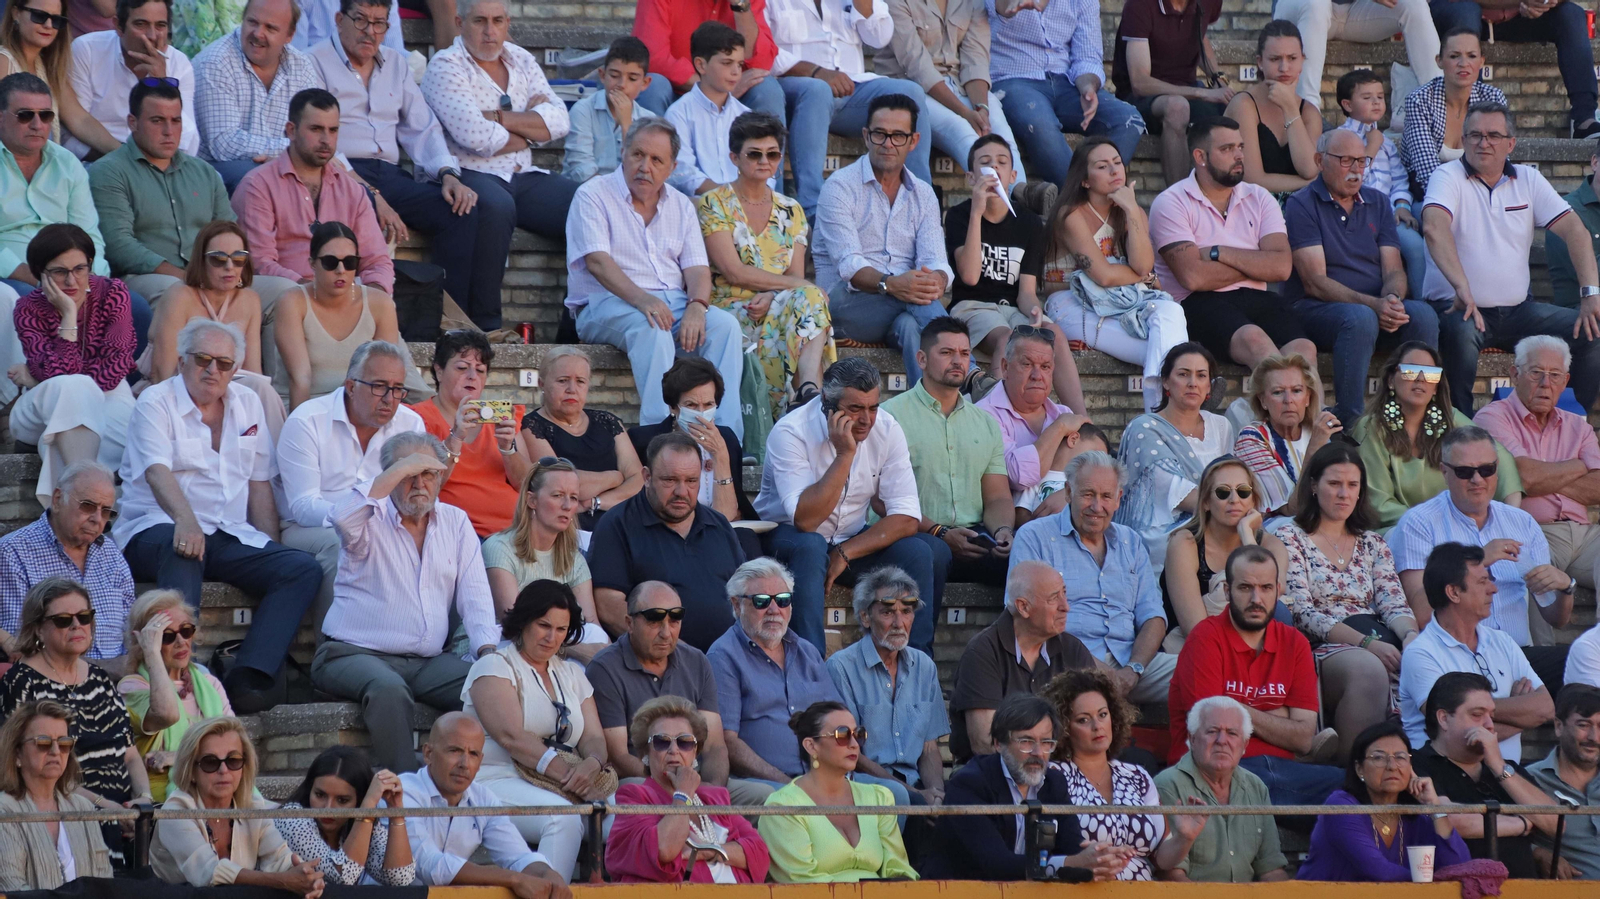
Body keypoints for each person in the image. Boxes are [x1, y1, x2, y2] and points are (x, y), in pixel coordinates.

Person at [114, 319, 323, 712]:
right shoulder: (156, 402)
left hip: (225, 531)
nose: (213, 370)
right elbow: (157, 472)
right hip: (153, 526)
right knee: (184, 548)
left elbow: (260, 484)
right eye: (203, 359)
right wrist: (185, 520)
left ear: (234, 369)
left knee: (301, 569)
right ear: (181, 361)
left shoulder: (247, 403)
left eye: (224, 363)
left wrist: (268, 553)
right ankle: (178, 677)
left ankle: (249, 677)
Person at [308, 0, 503, 328]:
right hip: (339, 173)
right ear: (340, 19)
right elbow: (320, 142)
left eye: (379, 23)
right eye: (361, 21)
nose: (370, 32)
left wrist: (448, 175)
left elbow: (423, 128)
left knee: (459, 208)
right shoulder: (314, 62)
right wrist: (370, 193)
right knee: (362, 203)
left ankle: (449, 320)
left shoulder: (396, 65)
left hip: (389, 173)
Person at [312, 431, 498, 774]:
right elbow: (340, 517)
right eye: (407, 473)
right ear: (389, 477)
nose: (419, 483)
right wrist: (400, 469)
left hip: (427, 663)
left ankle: (491, 778)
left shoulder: (456, 522)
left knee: (489, 685)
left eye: (428, 473)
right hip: (352, 653)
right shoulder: (367, 519)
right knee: (389, 690)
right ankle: (406, 793)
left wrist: (488, 654)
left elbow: (476, 598)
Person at [754, 357, 947, 653]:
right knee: (811, 546)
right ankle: (811, 666)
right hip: (787, 538)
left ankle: (917, 664)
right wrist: (845, 455)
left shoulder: (886, 428)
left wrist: (847, 552)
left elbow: (907, 516)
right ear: (826, 404)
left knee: (921, 551)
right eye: (855, 409)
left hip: (849, 540)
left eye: (873, 407)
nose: (867, 420)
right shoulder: (791, 431)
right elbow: (806, 521)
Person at [564, 119, 744, 436]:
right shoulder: (592, 195)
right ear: (623, 152)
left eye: (656, 160)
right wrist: (644, 299)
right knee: (654, 327)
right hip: (605, 303)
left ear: (671, 167)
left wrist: (697, 306)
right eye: (637, 155)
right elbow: (598, 262)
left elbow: (698, 270)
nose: (644, 167)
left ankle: (724, 436)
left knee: (725, 326)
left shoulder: (681, 206)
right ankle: (659, 436)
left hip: (672, 303)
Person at [1421, 101, 1600, 418]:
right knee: (1460, 340)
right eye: (1474, 135)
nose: (1483, 142)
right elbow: (1434, 227)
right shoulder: (1446, 176)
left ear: (1511, 143)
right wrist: (1462, 287)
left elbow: (1576, 232)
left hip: (1518, 312)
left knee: (1592, 330)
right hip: (1459, 307)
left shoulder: (1528, 181)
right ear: (1463, 140)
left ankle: (1569, 422)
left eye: (1493, 135)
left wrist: (1590, 294)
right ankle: (1457, 429)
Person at [419, 0, 579, 330]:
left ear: (508, 23)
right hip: (470, 172)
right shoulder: (445, 66)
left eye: (497, 21)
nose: (490, 31)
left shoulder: (521, 58)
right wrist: (531, 129)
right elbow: (474, 135)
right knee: (496, 206)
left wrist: (498, 117)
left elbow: (560, 120)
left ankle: (577, 322)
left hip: (524, 174)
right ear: (460, 22)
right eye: (480, 21)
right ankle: (484, 326)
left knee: (587, 204)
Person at [1390, 428, 1571, 688]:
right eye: (1465, 472)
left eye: (1486, 469)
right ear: (1444, 471)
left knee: (1587, 665)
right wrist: (1478, 561)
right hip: (1456, 658)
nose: (1477, 479)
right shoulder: (1419, 523)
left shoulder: (1522, 523)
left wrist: (1566, 587)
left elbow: (1556, 618)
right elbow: (1422, 612)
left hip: (1518, 656)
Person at [1286, 129, 1440, 429]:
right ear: (1320, 160)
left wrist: (1392, 300)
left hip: (1371, 309)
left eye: (1361, 160)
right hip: (1317, 308)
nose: (1356, 169)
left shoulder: (1378, 202)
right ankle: (1350, 417)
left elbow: (1393, 269)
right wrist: (1374, 305)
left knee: (1423, 314)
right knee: (1359, 318)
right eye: (1346, 160)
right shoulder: (1302, 204)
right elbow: (1314, 280)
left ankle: (1415, 414)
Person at [1169, 544, 1345, 805]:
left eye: (1265, 588)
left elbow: (1304, 738)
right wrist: (1281, 717)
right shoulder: (1205, 639)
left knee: (1354, 788)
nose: (1256, 599)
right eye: (1245, 588)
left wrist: (1237, 708)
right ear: (1228, 591)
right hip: (1215, 770)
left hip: (1283, 771)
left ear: (1278, 590)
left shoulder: (1295, 643)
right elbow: (1213, 731)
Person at [88, 83, 289, 311]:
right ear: (133, 123)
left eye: (176, 120)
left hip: (213, 274)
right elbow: (119, 245)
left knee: (282, 292)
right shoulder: (109, 171)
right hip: (145, 277)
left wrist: (225, 272)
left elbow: (229, 232)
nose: (169, 131)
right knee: (175, 291)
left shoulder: (203, 172)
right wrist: (186, 277)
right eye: (157, 121)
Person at [1278, 442, 1420, 758]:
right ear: (1313, 486)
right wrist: (1366, 644)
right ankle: (1350, 777)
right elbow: (1301, 612)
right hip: (1322, 644)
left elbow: (1393, 602)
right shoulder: (1291, 537)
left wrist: (1411, 636)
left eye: (1352, 485)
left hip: (1379, 638)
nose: (1344, 493)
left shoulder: (1373, 543)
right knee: (1367, 668)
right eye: (1334, 484)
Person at [461, 580, 608, 882]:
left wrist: (592, 765)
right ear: (525, 620)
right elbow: (511, 737)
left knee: (624, 817)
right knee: (563, 819)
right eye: (544, 625)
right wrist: (571, 779)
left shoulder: (570, 672)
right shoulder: (493, 665)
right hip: (498, 779)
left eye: (561, 629)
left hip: (564, 781)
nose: (552, 637)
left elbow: (594, 737)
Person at [275, 340, 423, 632]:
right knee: (339, 544)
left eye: (397, 389)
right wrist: (358, 517)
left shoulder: (411, 424)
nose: (390, 399)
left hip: (382, 525)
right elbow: (303, 507)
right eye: (379, 386)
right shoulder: (307, 421)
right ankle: (331, 652)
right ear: (351, 386)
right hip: (308, 530)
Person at [1149, 117, 1312, 372]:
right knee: (1255, 341)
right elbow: (1193, 277)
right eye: (1227, 149)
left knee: (1304, 351)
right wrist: (1256, 263)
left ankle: (1317, 413)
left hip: (1258, 298)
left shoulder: (1259, 197)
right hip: (1198, 302)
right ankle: (1280, 408)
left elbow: (1281, 268)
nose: (1238, 156)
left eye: (1240, 147)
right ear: (1200, 156)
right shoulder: (1172, 202)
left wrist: (1218, 253)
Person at [698, 111, 834, 413]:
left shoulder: (792, 210)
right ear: (734, 157)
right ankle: (804, 400)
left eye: (772, 154)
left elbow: (795, 276)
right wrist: (795, 286)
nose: (764, 161)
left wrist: (775, 293)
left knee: (809, 298)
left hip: (776, 303)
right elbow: (734, 271)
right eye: (754, 154)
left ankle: (808, 390)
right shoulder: (713, 202)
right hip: (730, 309)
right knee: (808, 295)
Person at [812, 94, 951, 386]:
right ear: (866, 136)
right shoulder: (839, 187)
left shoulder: (923, 194)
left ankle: (926, 409)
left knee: (912, 327)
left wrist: (936, 279)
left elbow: (936, 259)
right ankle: (971, 373)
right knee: (916, 303)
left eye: (898, 136)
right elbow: (849, 265)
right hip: (846, 305)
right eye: (880, 134)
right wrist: (893, 285)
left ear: (913, 141)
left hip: (905, 306)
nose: (888, 143)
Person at [1013, 451, 1176, 700]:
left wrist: (1133, 670)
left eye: (1106, 496)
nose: (1097, 506)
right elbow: (1031, 620)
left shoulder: (1131, 542)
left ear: (1118, 499)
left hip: (1131, 665)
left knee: (1202, 674)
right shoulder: (1035, 537)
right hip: (1065, 665)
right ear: (1068, 492)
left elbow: (1153, 616)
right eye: (1088, 494)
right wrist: (1105, 675)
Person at [1042, 137, 1187, 413]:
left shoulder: (1133, 213)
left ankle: (1157, 413)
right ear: (1084, 180)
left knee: (1171, 314)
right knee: (1172, 356)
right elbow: (1104, 277)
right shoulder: (1071, 215)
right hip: (1073, 305)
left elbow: (1143, 267)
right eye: (1102, 166)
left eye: (1118, 163)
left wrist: (1132, 209)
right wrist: (1141, 276)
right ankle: (1168, 407)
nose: (1114, 171)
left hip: (1122, 302)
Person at [944, 136, 1084, 407]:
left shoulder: (1029, 223)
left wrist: (1034, 310)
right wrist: (976, 212)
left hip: (1012, 309)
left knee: (1054, 333)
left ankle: (1081, 419)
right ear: (971, 177)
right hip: (972, 306)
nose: (994, 169)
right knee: (1008, 339)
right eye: (985, 163)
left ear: (1012, 175)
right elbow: (970, 276)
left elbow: (1027, 292)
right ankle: (995, 418)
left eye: (1001, 163)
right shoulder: (960, 216)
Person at [762, 0, 934, 222]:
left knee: (910, 93)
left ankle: (920, 204)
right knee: (818, 90)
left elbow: (879, 38)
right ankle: (811, 208)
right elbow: (764, 49)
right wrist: (816, 72)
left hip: (852, 89)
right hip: (796, 88)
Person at [233, 89, 395, 321]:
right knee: (286, 298)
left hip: (343, 298)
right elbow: (260, 263)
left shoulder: (352, 191)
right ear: (291, 130)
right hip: (285, 299)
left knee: (385, 314)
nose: (326, 140)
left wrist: (374, 296)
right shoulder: (258, 185)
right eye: (316, 129)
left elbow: (376, 260)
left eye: (333, 130)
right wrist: (315, 291)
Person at [0, 579, 147, 831]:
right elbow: (34, 767)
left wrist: (143, 800)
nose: (77, 625)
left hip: (124, 813)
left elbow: (130, 753)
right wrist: (103, 806)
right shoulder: (22, 682)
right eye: (63, 620)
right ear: (38, 629)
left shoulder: (99, 678)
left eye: (84, 617)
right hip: (69, 817)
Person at [587, 581, 755, 800]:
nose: (666, 632)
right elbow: (618, 755)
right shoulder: (605, 668)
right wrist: (677, 788)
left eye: (674, 619)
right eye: (654, 619)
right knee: (637, 792)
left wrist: (711, 792)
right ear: (629, 623)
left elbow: (715, 746)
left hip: (695, 779)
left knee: (764, 797)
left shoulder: (697, 661)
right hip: (642, 780)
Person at [7, 224, 136, 508]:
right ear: (40, 272)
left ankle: (72, 508)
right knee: (71, 386)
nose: (72, 281)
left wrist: (38, 376)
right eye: (59, 271)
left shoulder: (113, 293)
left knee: (115, 428)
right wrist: (68, 316)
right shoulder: (28, 307)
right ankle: (91, 491)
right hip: (38, 411)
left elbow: (115, 370)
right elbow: (59, 376)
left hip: (107, 396)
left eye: (80, 269)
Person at [881, 318, 1012, 586]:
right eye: (946, 352)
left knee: (1024, 558)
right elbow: (881, 499)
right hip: (913, 534)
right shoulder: (890, 417)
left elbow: (997, 496)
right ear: (921, 359)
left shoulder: (985, 422)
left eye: (964, 353)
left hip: (973, 536)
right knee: (934, 554)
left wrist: (1003, 532)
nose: (957, 361)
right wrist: (939, 532)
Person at [1397, 543, 1556, 763]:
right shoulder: (1421, 653)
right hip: (1446, 780)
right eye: (1482, 581)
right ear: (1453, 592)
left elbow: (1545, 709)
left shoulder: (1502, 641)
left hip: (1506, 778)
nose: (1494, 589)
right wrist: (1521, 716)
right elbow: (1453, 733)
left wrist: (1470, 712)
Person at [588, 432, 747, 648]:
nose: (682, 491)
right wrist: (678, 654)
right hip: (656, 664)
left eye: (691, 481)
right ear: (646, 477)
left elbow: (745, 594)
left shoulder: (719, 525)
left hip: (727, 660)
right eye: (670, 480)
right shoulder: (617, 525)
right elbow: (609, 608)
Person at [1475, 336, 1600, 607]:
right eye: (1536, 373)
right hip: (1532, 531)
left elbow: (1598, 488)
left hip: (1586, 534)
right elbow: (1524, 476)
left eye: (1555, 375)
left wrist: (1539, 476)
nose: (1546, 384)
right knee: (1531, 581)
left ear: (1565, 381)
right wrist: (1581, 465)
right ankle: (1538, 650)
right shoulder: (1492, 417)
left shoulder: (1579, 426)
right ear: (1514, 374)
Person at [932, 693, 1110, 881]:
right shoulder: (969, 784)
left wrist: (1100, 858)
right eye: (1026, 742)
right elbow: (997, 865)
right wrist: (1069, 863)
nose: (1038, 753)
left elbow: (1073, 848)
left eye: (1046, 742)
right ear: (998, 744)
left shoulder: (1054, 782)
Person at [398, 712, 572, 896]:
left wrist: (546, 872)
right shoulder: (403, 792)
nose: (464, 764)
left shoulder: (482, 797)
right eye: (454, 751)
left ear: (480, 761)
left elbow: (518, 857)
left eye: (473, 754)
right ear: (428, 754)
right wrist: (513, 879)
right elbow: (430, 866)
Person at [708, 559, 845, 788]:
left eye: (783, 600)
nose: (774, 610)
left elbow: (839, 721)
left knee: (893, 796)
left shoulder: (808, 652)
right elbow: (725, 741)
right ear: (736, 605)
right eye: (761, 601)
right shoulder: (723, 657)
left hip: (824, 777)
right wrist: (793, 788)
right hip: (765, 783)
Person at [1355, 342, 1522, 530]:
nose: (1420, 378)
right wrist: (1434, 524)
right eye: (1410, 371)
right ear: (1391, 380)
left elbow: (1497, 454)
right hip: (1397, 529)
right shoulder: (1371, 427)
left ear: (1436, 386)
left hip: (1451, 528)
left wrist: (1511, 512)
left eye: (1430, 373)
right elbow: (1378, 503)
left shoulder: (1450, 418)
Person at [1410, 671, 1561, 879]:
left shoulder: (1506, 769)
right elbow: (1449, 820)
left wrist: (1499, 766)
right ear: (1444, 719)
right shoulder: (1415, 764)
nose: (1489, 724)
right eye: (1477, 715)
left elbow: (1556, 822)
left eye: (1491, 715)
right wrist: (1523, 823)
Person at [606, 695, 771, 883]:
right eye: (662, 741)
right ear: (645, 753)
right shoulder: (635, 797)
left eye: (684, 742)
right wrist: (683, 794)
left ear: (694, 752)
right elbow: (664, 849)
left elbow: (759, 853)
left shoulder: (714, 798)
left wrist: (708, 851)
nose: (674, 750)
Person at [150, 716, 324, 894]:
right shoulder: (175, 810)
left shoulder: (253, 805)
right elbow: (207, 873)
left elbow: (280, 860)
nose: (223, 770)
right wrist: (282, 881)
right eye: (211, 762)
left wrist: (306, 878)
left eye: (233, 760)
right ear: (191, 771)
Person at [984, 0, 1144, 190]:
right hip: (1013, 78)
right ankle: (1083, 200)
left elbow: (1087, 57)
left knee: (1129, 119)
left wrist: (1087, 88)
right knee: (1041, 126)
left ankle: (1091, 192)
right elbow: (998, 9)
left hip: (1067, 82)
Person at [949, 559, 1096, 761]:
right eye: (1054, 598)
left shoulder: (1073, 650)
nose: (1066, 607)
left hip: (1062, 771)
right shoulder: (983, 652)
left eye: (1065, 593)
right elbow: (984, 743)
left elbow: (1093, 725)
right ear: (1023, 607)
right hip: (990, 777)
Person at [757, 701, 918, 883]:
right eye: (842, 735)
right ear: (811, 746)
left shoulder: (878, 798)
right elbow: (803, 883)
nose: (854, 744)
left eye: (858, 735)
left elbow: (897, 868)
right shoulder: (782, 807)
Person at [827, 567, 949, 804]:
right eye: (887, 612)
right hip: (864, 786)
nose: (899, 622)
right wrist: (914, 795)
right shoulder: (841, 667)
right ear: (865, 617)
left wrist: (935, 796)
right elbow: (851, 755)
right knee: (902, 798)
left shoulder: (924, 666)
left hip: (914, 785)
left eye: (906, 611)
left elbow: (929, 748)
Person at [1295, 720, 1469, 881]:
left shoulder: (1416, 816)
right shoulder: (1341, 807)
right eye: (1378, 757)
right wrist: (1433, 884)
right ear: (1359, 769)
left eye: (1400, 757)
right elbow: (1379, 871)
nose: (1392, 766)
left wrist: (1434, 807)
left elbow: (1459, 867)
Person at [876, 0, 1027, 185]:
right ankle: (1007, 197)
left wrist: (982, 108)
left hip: (959, 84)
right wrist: (965, 113)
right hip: (911, 88)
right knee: (962, 130)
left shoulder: (972, 2)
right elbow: (918, 67)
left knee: (1000, 127)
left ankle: (1021, 191)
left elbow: (976, 60)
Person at [0, 461, 133, 666]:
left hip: (123, 682)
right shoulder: (13, 552)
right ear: (58, 499)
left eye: (106, 511)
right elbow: (22, 646)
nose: (97, 519)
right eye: (88, 506)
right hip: (54, 684)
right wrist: (103, 670)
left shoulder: (111, 554)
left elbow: (132, 631)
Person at [1115, 343, 1237, 567]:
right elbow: (1175, 492)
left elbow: (1230, 480)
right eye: (1183, 374)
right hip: (1164, 531)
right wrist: (1232, 511)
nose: (1193, 383)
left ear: (1209, 386)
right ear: (1165, 381)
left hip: (1218, 518)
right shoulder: (1144, 429)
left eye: (1201, 376)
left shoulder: (1221, 426)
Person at [1042, 668, 1167, 880]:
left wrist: (1185, 837)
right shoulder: (1052, 777)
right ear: (1063, 728)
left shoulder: (1138, 776)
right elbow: (1038, 861)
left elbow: (1162, 859)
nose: (1097, 726)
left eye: (1102, 715)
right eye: (1083, 720)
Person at [139, 222, 274, 416]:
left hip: (228, 392)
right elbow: (162, 374)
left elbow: (253, 372)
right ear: (201, 261)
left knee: (261, 389)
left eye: (238, 258)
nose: (229, 267)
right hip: (176, 396)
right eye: (218, 259)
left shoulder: (250, 300)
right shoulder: (179, 296)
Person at [482, 459, 608, 661]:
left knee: (595, 635)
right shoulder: (500, 548)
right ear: (532, 501)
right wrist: (574, 651)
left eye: (574, 497)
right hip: (500, 647)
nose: (568, 506)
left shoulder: (573, 559)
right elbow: (514, 627)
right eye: (557, 496)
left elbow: (592, 624)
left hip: (553, 644)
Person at [270, 223, 405, 410]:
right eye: (330, 262)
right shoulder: (292, 301)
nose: (341, 270)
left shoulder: (380, 304)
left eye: (349, 262)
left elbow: (385, 376)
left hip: (359, 408)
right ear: (312, 264)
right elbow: (300, 379)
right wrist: (301, 426)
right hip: (301, 405)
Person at [191, 0, 323, 192]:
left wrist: (287, 156)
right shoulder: (215, 63)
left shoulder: (301, 67)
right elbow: (224, 143)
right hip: (220, 169)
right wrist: (291, 152)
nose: (258, 33)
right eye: (252, 22)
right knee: (262, 179)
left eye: (270, 28)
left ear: (289, 35)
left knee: (335, 183)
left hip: (283, 164)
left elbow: (312, 130)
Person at [1155, 696, 1289, 882]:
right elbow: (1171, 876)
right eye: (1212, 731)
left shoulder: (1256, 787)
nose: (1222, 740)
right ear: (1192, 739)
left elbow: (1271, 869)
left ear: (1244, 745)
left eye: (1232, 733)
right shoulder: (1168, 785)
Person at [116, 588, 232, 802]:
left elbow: (233, 747)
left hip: (215, 795)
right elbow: (166, 714)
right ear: (145, 642)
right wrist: (150, 652)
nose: (181, 641)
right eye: (166, 636)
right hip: (164, 802)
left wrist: (178, 757)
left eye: (186, 630)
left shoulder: (209, 684)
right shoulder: (132, 687)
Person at [1161, 456, 1287, 652]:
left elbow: (1269, 602)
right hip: (1195, 651)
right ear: (1205, 503)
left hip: (1255, 649)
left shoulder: (1272, 545)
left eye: (1243, 492)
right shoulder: (1185, 543)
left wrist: (1246, 535)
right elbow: (1195, 630)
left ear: (1253, 500)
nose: (1234, 499)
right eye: (1223, 492)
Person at [411, 329, 528, 538]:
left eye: (480, 370)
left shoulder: (499, 416)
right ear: (439, 371)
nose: (472, 376)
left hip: (515, 532)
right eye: (462, 368)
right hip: (460, 535)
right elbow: (424, 487)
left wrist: (508, 448)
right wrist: (456, 437)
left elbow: (526, 485)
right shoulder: (417, 417)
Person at [1431, 0, 1597, 138]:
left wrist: (1545, 2)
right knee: (1466, 10)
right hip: (1459, 12)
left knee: (1571, 13)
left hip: (1517, 17)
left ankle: (1584, 119)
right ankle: (1472, 118)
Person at [625, 356, 755, 531]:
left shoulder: (726, 439)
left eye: (708, 404)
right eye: (691, 405)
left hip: (718, 529)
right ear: (673, 407)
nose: (701, 414)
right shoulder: (642, 440)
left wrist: (720, 455)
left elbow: (727, 515)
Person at [520, 348, 643, 532]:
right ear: (542, 384)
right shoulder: (531, 426)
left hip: (620, 524)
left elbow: (639, 480)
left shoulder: (608, 421)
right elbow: (561, 483)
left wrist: (595, 502)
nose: (572, 389)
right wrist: (614, 477)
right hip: (568, 531)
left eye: (580, 381)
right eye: (562, 381)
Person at [1110, 0, 1231, 185]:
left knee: (1238, 107)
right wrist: (1201, 93)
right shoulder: (1139, 5)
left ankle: (1231, 203)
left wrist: (1219, 81)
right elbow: (1140, 82)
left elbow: (1200, 34)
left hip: (1187, 88)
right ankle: (1178, 203)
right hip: (1141, 98)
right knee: (1177, 107)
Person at [1334, 69, 1430, 299]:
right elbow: (1349, 181)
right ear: (1347, 104)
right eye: (1367, 98)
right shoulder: (1339, 140)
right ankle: (1419, 304)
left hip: (1389, 214)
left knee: (1424, 236)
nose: (1376, 102)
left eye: (1380, 96)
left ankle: (1433, 301)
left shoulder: (1386, 142)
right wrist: (1371, 148)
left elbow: (1399, 180)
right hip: (1358, 216)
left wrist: (1402, 206)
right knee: (1410, 249)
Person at [0, 700, 114, 890]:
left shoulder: (82, 807)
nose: (55, 751)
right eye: (43, 742)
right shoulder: (4, 810)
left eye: (64, 743)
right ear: (17, 754)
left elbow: (104, 881)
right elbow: (12, 885)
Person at [67, 0, 198, 159]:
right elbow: (74, 130)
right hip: (100, 158)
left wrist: (162, 84)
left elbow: (189, 143)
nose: (151, 36)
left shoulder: (179, 63)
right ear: (118, 26)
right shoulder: (87, 50)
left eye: (160, 26)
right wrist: (127, 160)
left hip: (160, 162)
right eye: (141, 24)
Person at [975, 327, 1092, 503]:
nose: (1037, 376)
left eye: (1045, 367)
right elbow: (1018, 477)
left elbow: (1094, 472)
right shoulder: (983, 414)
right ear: (1005, 367)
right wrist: (1059, 429)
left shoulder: (1064, 413)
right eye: (1027, 365)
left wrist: (1067, 496)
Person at [274, 746, 416, 886]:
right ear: (309, 789)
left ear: (358, 801)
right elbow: (343, 876)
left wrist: (395, 809)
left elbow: (399, 878)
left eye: (342, 800)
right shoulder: (292, 816)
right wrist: (368, 806)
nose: (328, 808)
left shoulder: (357, 822)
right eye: (320, 795)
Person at [0, 0, 119, 155]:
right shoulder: (3, 61)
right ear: (16, 13)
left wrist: (124, 155)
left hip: (43, 167)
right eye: (39, 16)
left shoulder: (48, 67)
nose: (49, 25)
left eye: (56, 20)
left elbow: (80, 120)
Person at [1276, 0, 1440, 112]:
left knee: (1413, 4)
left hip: (1353, 13)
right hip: (1302, 9)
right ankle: (1307, 110)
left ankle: (1440, 106)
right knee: (1316, 3)